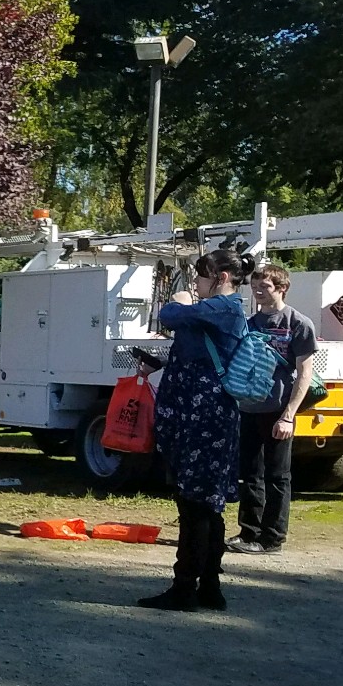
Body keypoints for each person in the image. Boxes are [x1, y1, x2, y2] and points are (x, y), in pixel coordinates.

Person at [141, 248, 253, 610]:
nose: (196, 283)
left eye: (201, 276)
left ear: (221, 277)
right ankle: (208, 587)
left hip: (203, 417)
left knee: (196, 504)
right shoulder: (218, 312)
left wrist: (179, 299)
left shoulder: (224, 308)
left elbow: (169, 314)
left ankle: (186, 586)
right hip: (201, 414)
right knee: (205, 505)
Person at [229, 263, 318, 555]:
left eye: (265, 286)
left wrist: (289, 415)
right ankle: (249, 532)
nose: (258, 291)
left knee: (277, 475)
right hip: (248, 407)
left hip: (278, 409)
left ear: (282, 288)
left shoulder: (298, 324)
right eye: (255, 285)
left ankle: (272, 538)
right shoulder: (250, 323)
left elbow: (304, 373)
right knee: (250, 473)